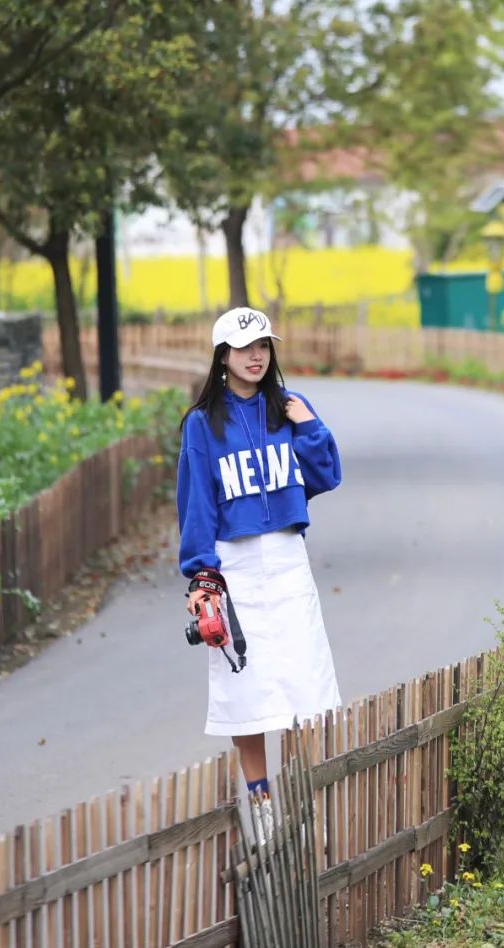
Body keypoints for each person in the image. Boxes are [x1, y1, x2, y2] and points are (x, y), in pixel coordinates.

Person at [177, 305, 342, 827]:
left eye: (264, 347)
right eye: (245, 348)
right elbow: (197, 502)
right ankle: (262, 808)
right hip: (237, 565)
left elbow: (326, 476)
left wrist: (309, 425)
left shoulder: (290, 407)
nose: (256, 356)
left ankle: (298, 808)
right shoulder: (203, 425)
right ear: (222, 356)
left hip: (288, 558)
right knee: (245, 690)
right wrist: (202, 574)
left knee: (299, 682)